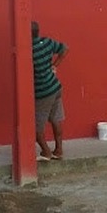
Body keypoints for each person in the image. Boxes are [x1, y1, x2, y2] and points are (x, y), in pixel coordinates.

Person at [31, 21, 68, 161]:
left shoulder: (29, 50)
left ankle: (46, 151)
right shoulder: (47, 42)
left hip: (43, 93)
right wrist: (54, 65)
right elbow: (65, 48)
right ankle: (58, 150)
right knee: (56, 119)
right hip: (55, 86)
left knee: (36, 127)